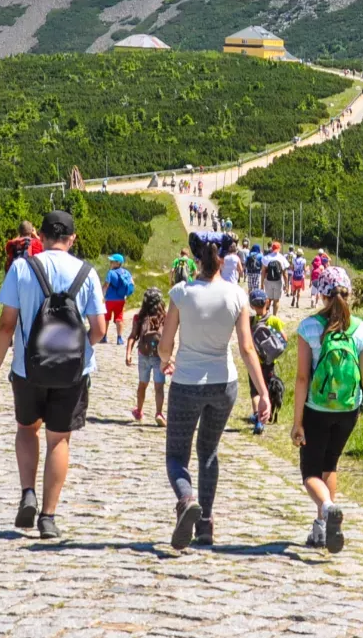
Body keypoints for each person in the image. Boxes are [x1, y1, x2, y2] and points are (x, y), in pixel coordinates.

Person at [0, 210, 106, 540]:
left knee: (27, 430)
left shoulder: (22, 268)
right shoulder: (87, 272)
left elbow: (6, 324)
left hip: (28, 368)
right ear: (73, 238)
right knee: (58, 439)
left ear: (40, 236)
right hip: (72, 372)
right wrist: (79, 348)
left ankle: (28, 492)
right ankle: (48, 517)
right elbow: (99, 328)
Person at [160, 231, 270, 550]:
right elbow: (247, 348)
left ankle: (186, 499)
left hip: (186, 383)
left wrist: (167, 361)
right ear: (223, 259)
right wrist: (262, 391)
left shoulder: (181, 293)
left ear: (196, 259)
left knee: (176, 455)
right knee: (208, 452)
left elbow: (166, 345)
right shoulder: (237, 295)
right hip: (225, 384)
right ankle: (205, 524)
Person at [291, 266, 363, 554]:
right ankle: (324, 528)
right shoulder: (362, 330)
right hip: (348, 410)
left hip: (316, 408)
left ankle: (328, 508)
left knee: (310, 472)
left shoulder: (309, 328)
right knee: (329, 464)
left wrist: (297, 422)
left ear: (321, 293)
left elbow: (302, 379)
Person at [126, 288, 168, 425]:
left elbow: (133, 336)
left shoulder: (139, 317)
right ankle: (159, 413)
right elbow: (169, 338)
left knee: (142, 385)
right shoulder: (164, 317)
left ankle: (139, 410)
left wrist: (128, 354)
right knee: (159, 387)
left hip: (143, 355)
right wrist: (169, 356)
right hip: (159, 356)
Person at [247, 289, 287, 434]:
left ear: (252, 305)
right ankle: (265, 416)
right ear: (267, 302)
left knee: (255, 391)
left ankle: (258, 417)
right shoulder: (274, 320)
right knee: (266, 388)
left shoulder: (251, 321)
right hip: (269, 362)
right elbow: (284, 339)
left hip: (254, 361)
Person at [103, 254, 135, 344]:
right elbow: (132, 283)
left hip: (109, 299)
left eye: (112, 261)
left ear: (118, 263)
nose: (110, 262)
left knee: (106, 318)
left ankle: (104, 337)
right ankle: (119, 338)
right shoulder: (126, 273)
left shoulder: (110, 273)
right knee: (119, 318)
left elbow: (106, 285)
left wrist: (102, 294)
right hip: (121, 299)